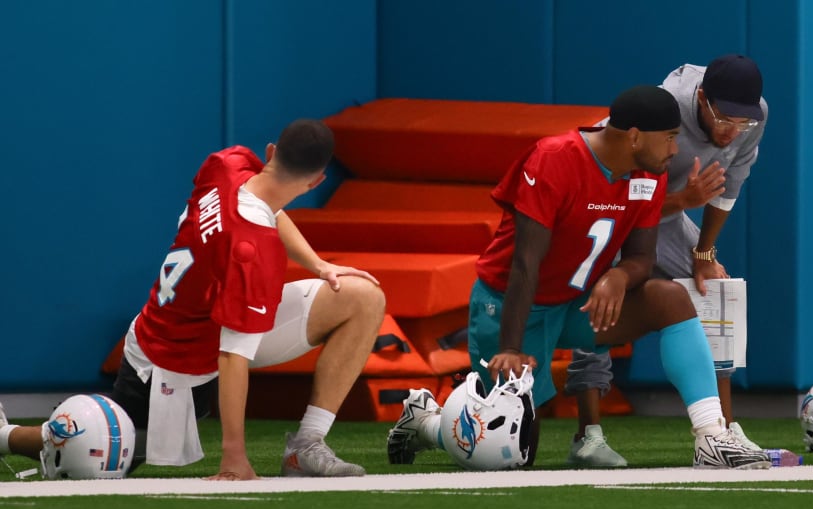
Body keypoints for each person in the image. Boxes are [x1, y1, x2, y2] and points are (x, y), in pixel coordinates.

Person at [386, 85, 771, 470]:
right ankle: (426, 423)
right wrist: (511, 345)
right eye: (669, 138)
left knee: (669, 299)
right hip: (510, 305)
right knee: (507, 455)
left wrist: (618, 276)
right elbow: (525, 263)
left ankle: (711, 436)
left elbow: (641, 257)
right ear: (635, 136)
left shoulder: (647, 175)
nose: (675, 150)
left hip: (575, 304)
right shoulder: (554, 158)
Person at [0, 119, 386, 480]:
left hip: (197, 323)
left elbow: (269, 205)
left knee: (362, 299)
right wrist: (235, 457)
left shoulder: (227, 163)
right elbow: (233, 357)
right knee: (97, 448)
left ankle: (306, 445)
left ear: (270, 152)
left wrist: (318, 265)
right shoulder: (252, 252)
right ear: (317, 181)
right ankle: (7, 435)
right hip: (166, 363)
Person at [565, 55, 769, 466]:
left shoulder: (753, 114)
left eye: (742, 123)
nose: (732, 131)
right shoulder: (664, 107)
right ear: (701, 99)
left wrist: (704, 253)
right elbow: (615, 202)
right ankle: (587, 434)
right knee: (600, 302)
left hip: (668, 213)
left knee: (716, 294)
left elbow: (728, 189)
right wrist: (684, 200)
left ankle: (722, 432)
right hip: (612, 210)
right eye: (724, 118)